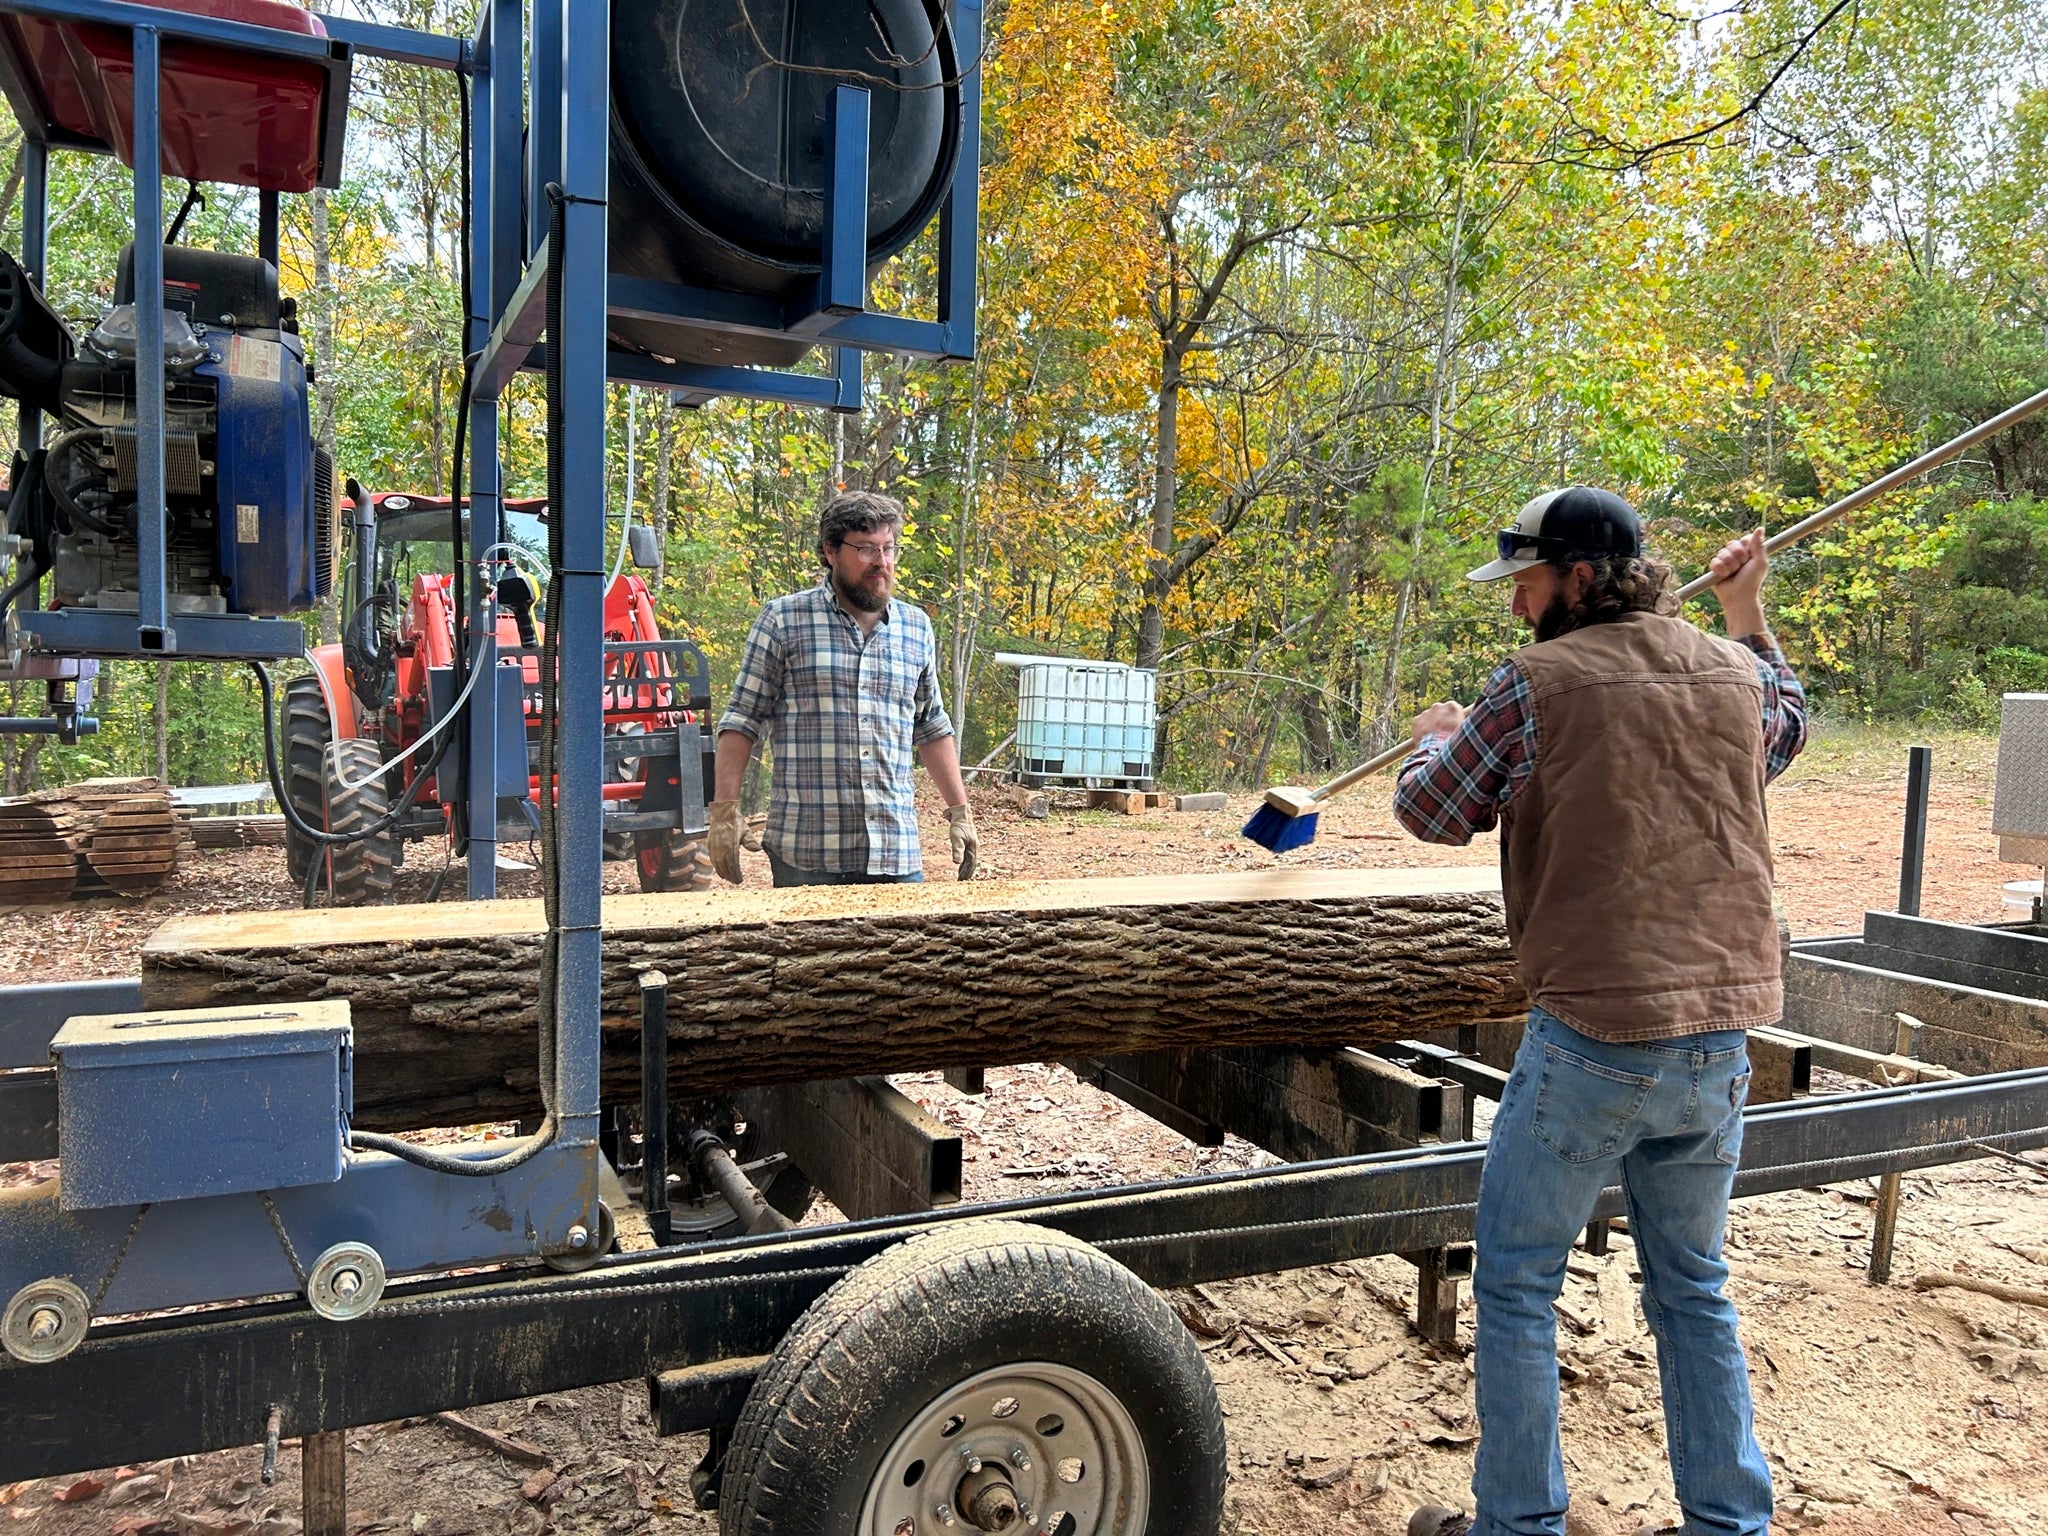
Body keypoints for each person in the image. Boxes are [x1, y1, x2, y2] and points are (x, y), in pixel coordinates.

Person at [1392, 486, 1808, 1536]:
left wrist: (1433, 740)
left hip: (1593, 1039)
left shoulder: (1531, 684)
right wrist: (1746, 612)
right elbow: (1785, 727)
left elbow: (1432, 812)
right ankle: (1726, 1525)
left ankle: (1518, 1527)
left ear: (1578, 578)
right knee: (1692, 1291)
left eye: (1525, 585)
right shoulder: (1730, 672)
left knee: (1519, 1285)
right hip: (1719, 1036)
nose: (1516, 608)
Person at [707, 490, 978, 887]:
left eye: (889, 548)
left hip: (894, 851)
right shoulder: (784, 619)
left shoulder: (915, 627)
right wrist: (725, 812)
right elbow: (742, 719)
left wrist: (960, 811)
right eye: (866, 549)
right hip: (808, 855)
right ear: (831, 550)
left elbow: (932, 726)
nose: (882, 562)